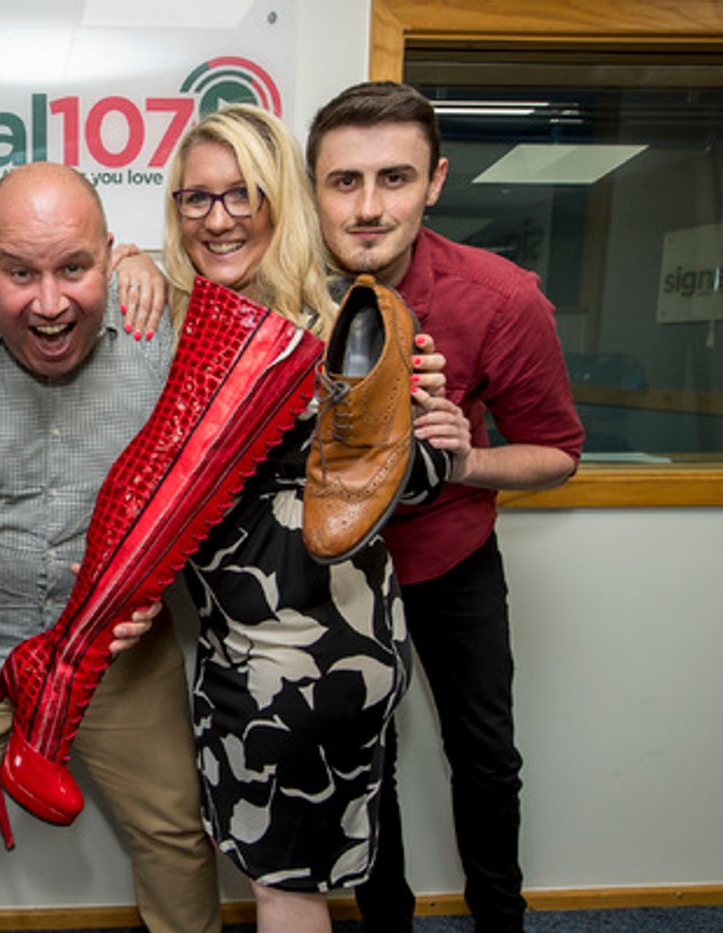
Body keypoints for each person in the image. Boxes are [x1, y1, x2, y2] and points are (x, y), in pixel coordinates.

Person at [0, 161, 222, 933]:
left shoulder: (161, 330)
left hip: (114, 650)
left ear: (111, 252)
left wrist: (159, 581)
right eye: (20, 271)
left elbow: (212, 489)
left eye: (75, 267)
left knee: (173, 832)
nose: (50, 301)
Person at [164, 104, 469, 933]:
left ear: (280, 201)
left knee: (285, 887)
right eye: (197, 199)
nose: (219, 218)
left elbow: (418, 473)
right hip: (244, 646)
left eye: (243, 194)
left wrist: (442, 434)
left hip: (302, 657)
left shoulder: (345, 322)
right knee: (292, 874)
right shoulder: (179, 326)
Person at [306, 82, 584, 933]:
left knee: (487, 759)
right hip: (330, 567)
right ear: (312, 187)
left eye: (394, 178)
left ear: (435, 181)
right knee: (363, 761)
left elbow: (558, 455)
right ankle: (384, 921)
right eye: (344, 181)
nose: (368, 206)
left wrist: (466, 457)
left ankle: (502, 920)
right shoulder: (283, 288)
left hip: (449, 558)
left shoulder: (501, 296)